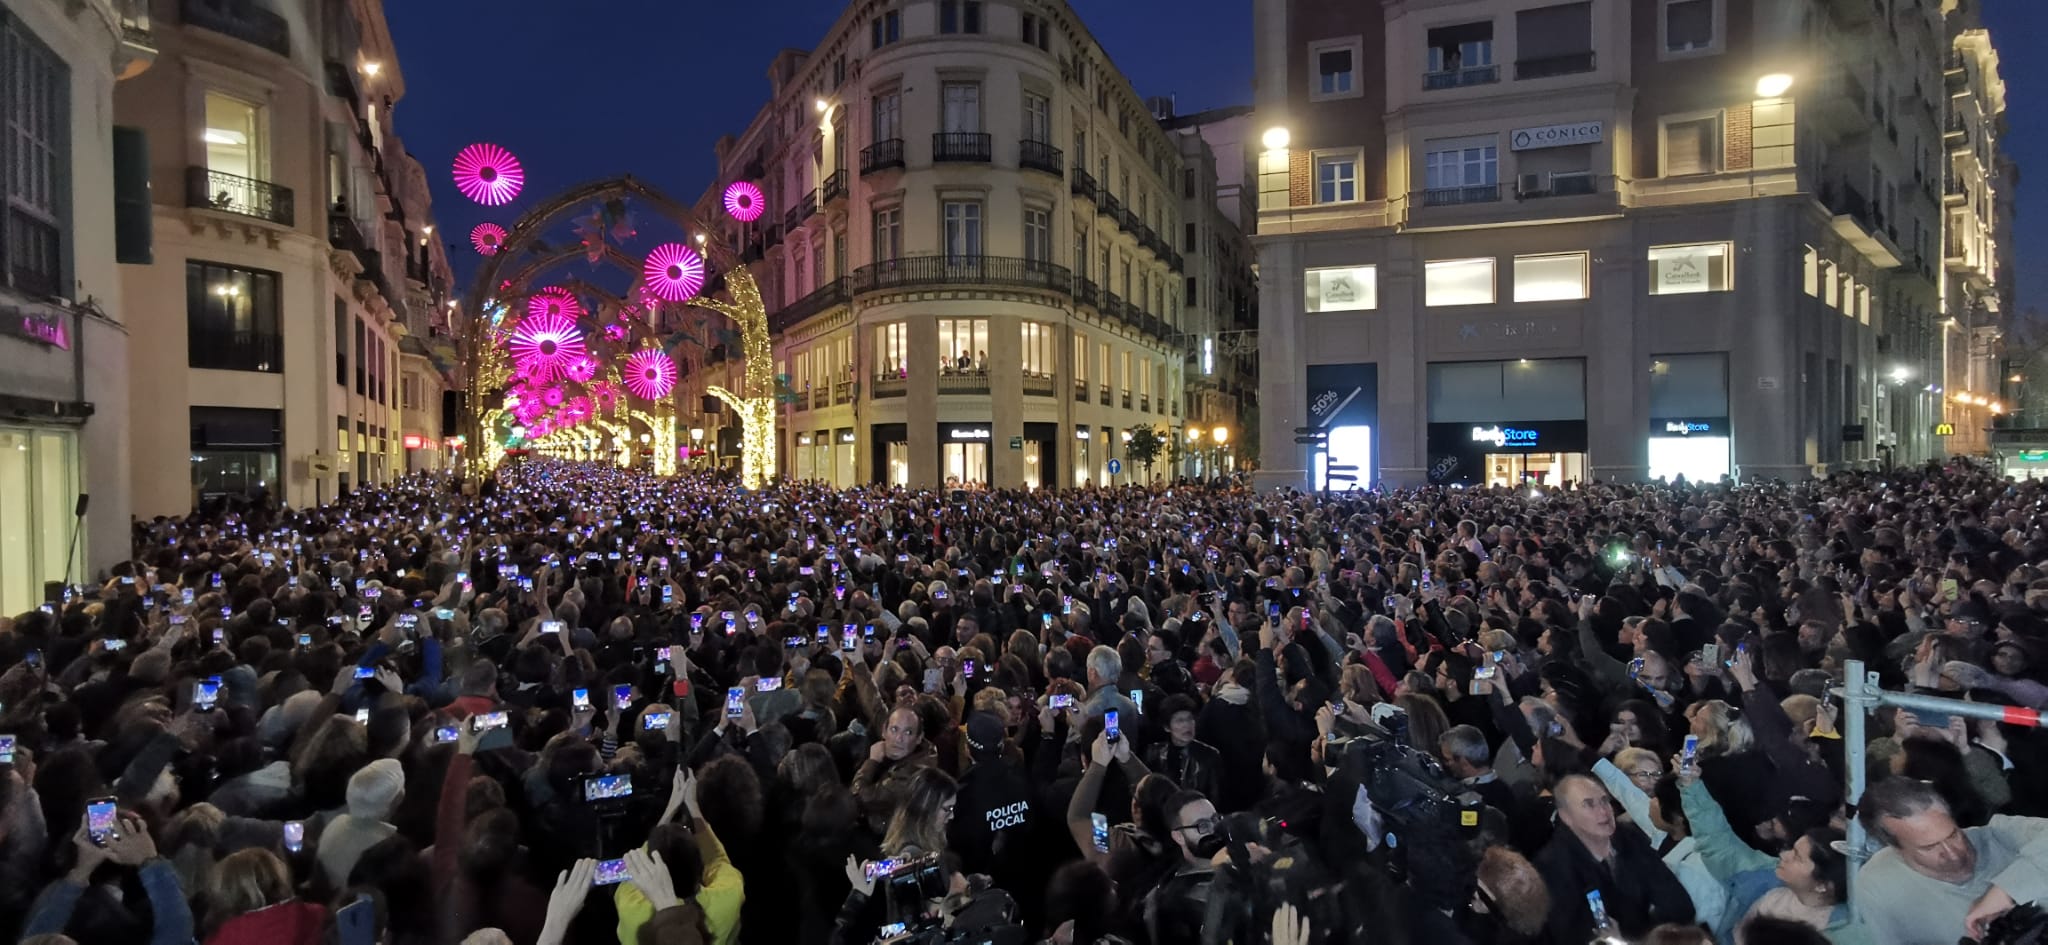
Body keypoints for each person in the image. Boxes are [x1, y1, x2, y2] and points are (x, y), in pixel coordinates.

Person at [1856, 776, 2048, 944]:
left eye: (1953, 834)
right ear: (1895, 847)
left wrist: (2006, 891)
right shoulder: (1878, 883)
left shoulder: (2003, 836)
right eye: (1929, 847)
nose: (1953, 853)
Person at [1534, 774, 1696, 945]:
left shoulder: (1629, 838)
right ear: (1566, 816)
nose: (1603, 811)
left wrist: (1635, 941)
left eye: (1605, 801)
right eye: (1588, 804)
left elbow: (1679, 905)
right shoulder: (1553, 866)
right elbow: (1575, 936)